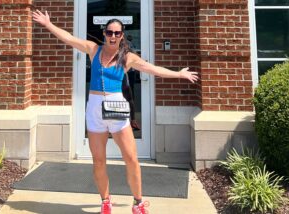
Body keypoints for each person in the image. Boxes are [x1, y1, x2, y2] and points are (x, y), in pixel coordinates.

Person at [32, 10, 199, 214]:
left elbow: (152, 69)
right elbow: (69, 39)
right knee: (99, 160)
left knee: (131, 158)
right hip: (94, 110)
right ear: (104, 33)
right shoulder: (93, 50)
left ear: (122, 35)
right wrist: (48, 24)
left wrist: (179, 74)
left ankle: (138, 203)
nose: (113, 36)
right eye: (109, 32)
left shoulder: (127, 58)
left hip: (117, 110)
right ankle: (105, 201)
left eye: (117, 33)